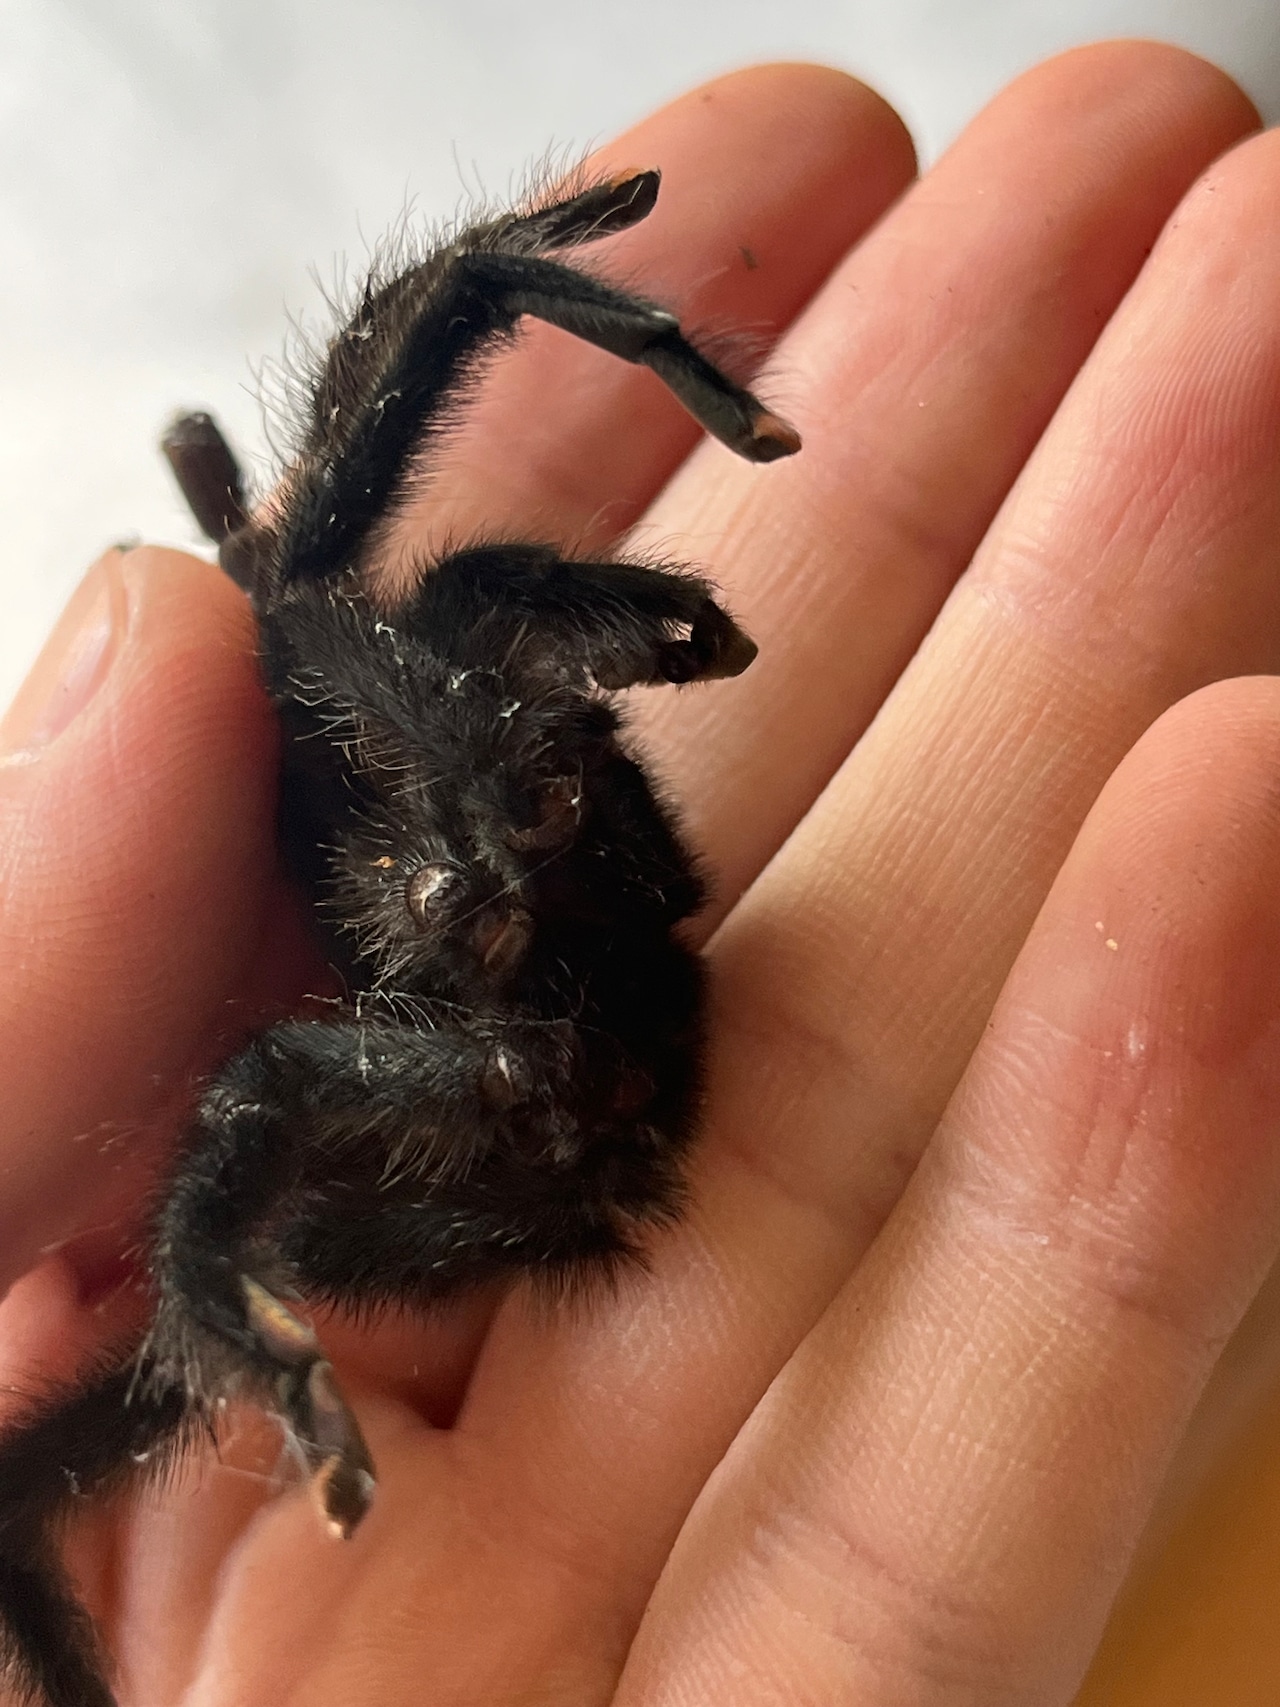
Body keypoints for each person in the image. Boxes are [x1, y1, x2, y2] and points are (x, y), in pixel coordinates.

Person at [0, 40, 1276, 1705]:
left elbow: (403, 605)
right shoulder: (379, 877)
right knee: (257, 1091)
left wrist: (484, 284)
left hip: (544, 1025)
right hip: (522, 1120)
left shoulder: (427, 684)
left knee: (385, 608)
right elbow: (246, 1148)